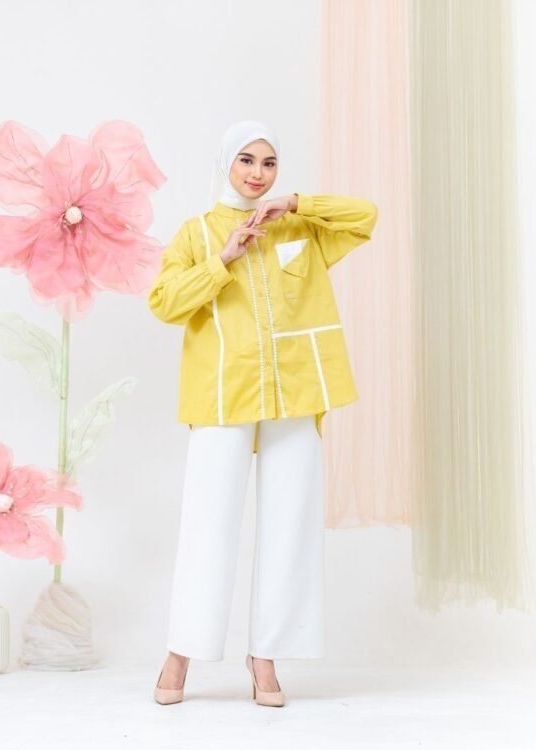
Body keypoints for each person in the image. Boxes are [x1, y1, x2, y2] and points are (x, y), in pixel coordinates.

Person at [147, 120, 378, 706]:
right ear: (226, 163)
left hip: (295, 392)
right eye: (246, 160)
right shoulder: (197, 232)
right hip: (223, 394)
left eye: (269, 163)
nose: (257, 173)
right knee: (208, 525)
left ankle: (266, 656)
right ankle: (180, 652)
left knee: (290, 526)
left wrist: (296, 203)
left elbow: (364, 217)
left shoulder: (298, 226)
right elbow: (165, 303)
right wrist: (222, 260)